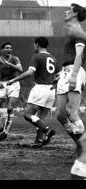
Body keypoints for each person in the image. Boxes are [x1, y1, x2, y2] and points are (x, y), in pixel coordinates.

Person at [7, 37, 60, 148]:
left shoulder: (37, 57)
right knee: (40, 118)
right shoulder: (53, 58)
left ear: (37, 44)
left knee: (27, 114)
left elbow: (30, 72)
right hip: (51, 91)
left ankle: (47, 130)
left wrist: (14, 80)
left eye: (34, 44)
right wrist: (55, 83)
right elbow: (60, 75)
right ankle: (39, 141)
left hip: (40, 88)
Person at [56, 3, 86, 180]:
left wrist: (74, 75)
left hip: (74, 71)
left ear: (75, 13)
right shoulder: (71, 30)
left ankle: (83, 149)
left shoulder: (78, 31)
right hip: (64, 72)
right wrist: (62, 74)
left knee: (71, 113)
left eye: (68, 9)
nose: (65, 11)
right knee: (60, 114)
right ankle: (80, 143)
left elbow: (79, 56)